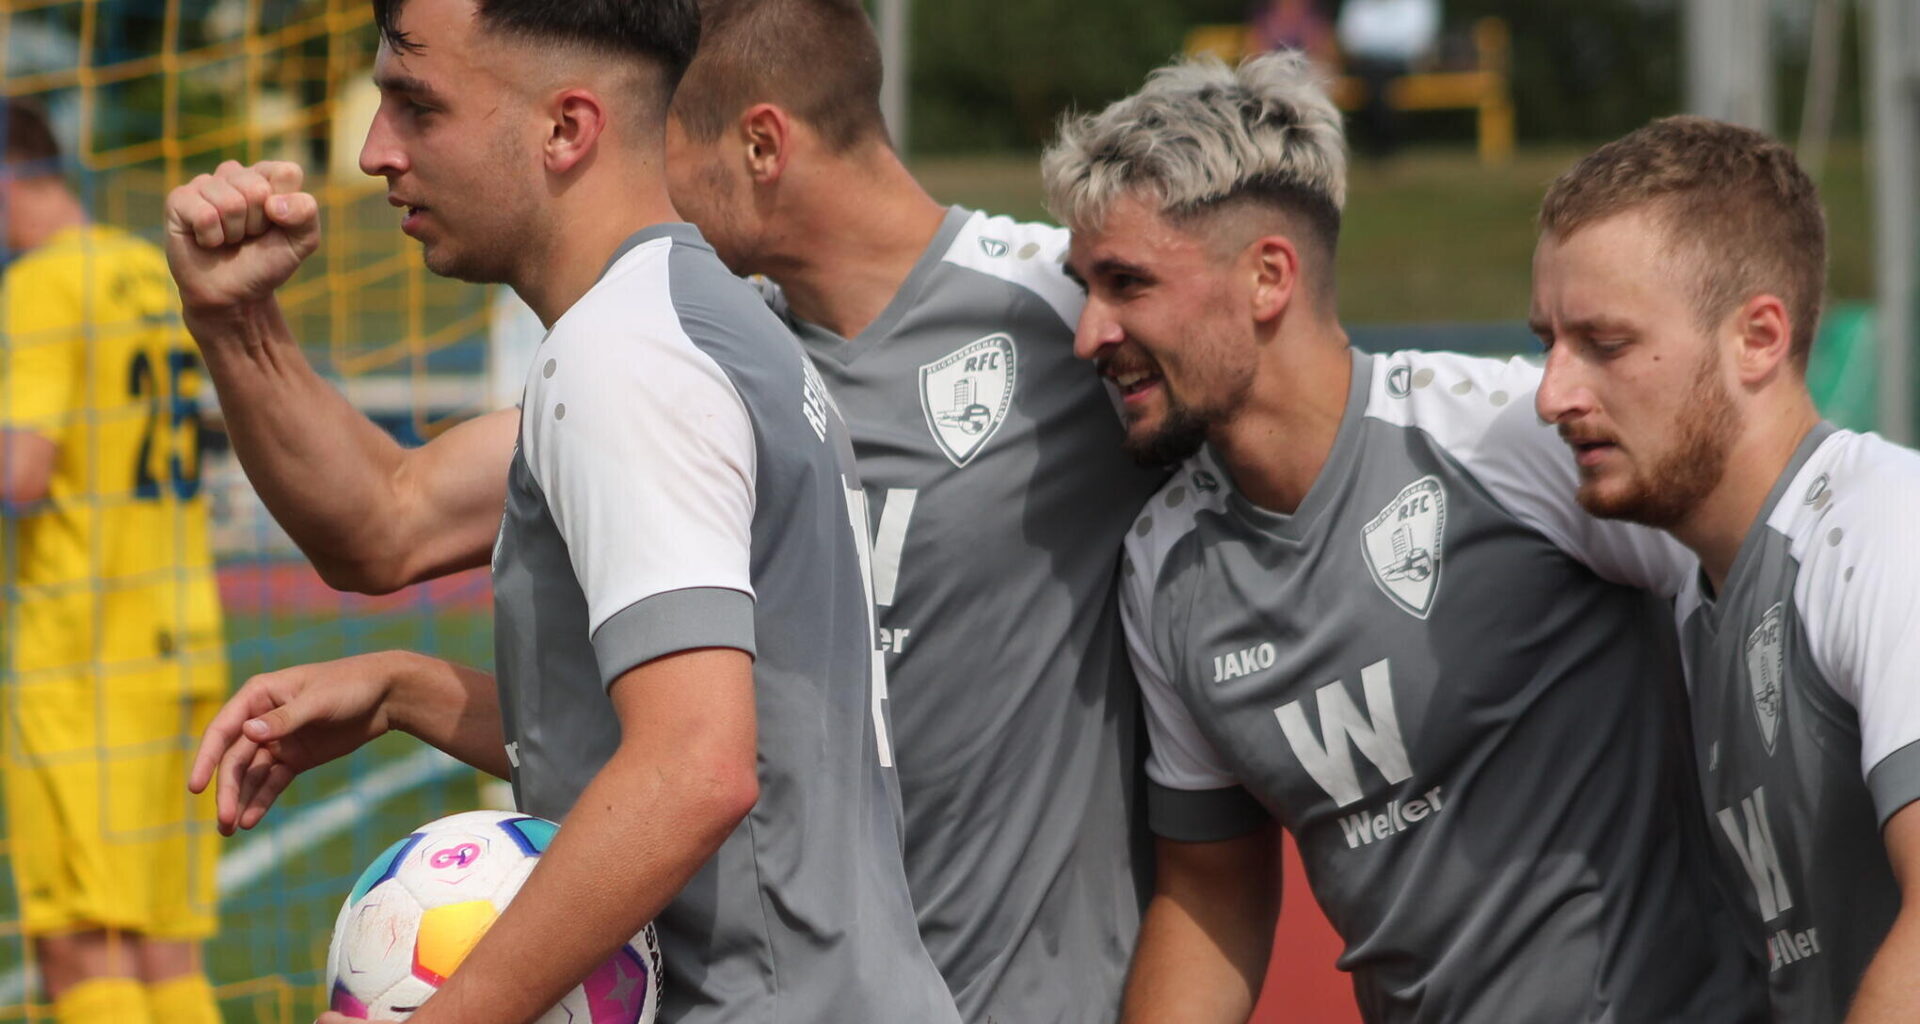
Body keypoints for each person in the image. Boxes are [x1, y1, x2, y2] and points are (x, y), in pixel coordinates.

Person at [166, 1, 958, 1022]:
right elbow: (384, 521)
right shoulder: (701, 325)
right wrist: (236, 321)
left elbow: (692, 771)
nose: (373, 151)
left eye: (415, 104)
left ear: (567, 129)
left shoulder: (626, 361)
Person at [1041, 52, 1765, 1022]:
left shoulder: (1511, 437)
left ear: (1267, 276)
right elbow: (1210, 893)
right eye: (1085, 286)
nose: (1090, 331)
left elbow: (1775, 597)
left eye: (1127, 283)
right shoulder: (1165, 569)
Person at [665, 1, 1165, 1018]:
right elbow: (392, 522)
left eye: (664, 144)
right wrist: (243, 319)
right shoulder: (721, 367)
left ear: (762, 142)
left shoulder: (1067, 308)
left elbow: (1284, 412)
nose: (655, 190)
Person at [1532, 116, 1920, 1022]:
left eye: (1606, 343)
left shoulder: (1883, 531)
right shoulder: (1697, 594)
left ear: (1758, 338)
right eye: (1547, 339)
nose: (1553, 394)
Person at [0, 100, 226, 1024]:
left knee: (77, 946)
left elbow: (23, 472)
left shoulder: (43, 283)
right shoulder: (144, 268)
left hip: (83, 657)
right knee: (162, 944)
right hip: (181, 641)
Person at [1334, 0, 1439, 158]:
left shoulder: (1417, 4)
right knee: (1376, 78)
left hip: (1403, 65)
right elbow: (1349, 41)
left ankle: (1379, 143)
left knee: (1377, 80)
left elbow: (1419, 43)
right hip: (1367, 65)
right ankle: (1384, 141)